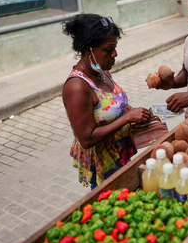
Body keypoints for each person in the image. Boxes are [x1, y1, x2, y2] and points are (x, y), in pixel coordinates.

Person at [62, 14, 167, 189]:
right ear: (89, 50)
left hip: (121, 157)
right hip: (104, 167)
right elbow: (86, 138)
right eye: (109, 49)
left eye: (115, 47)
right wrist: (127, 118)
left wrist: (139, 114)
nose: (115, 54)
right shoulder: (77, 88)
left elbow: (114, 103)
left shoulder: (101, 72)